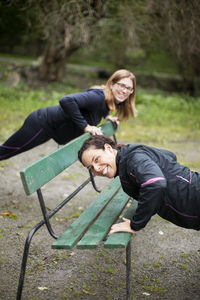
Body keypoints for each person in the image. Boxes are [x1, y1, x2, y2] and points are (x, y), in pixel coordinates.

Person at [0, 69, 136, 161]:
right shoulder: (97, 97)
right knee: (7, 151)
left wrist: (107, 116)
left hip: (50, 130)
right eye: (121, 85)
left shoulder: (108, 100)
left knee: (6, 152)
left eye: (128, 88)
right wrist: (85, 126)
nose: (124, 90)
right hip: (41, 123)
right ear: (112, 84)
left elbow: (97, 107)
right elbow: (67, 100)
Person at [78, 135, 200, 235]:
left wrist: (135, 224)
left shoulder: (132, 159)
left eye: (97, 159)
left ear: (108, 148)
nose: (97, 168)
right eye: (91, 168)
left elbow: (155, 183)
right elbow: (170, 155)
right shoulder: (128, 157)